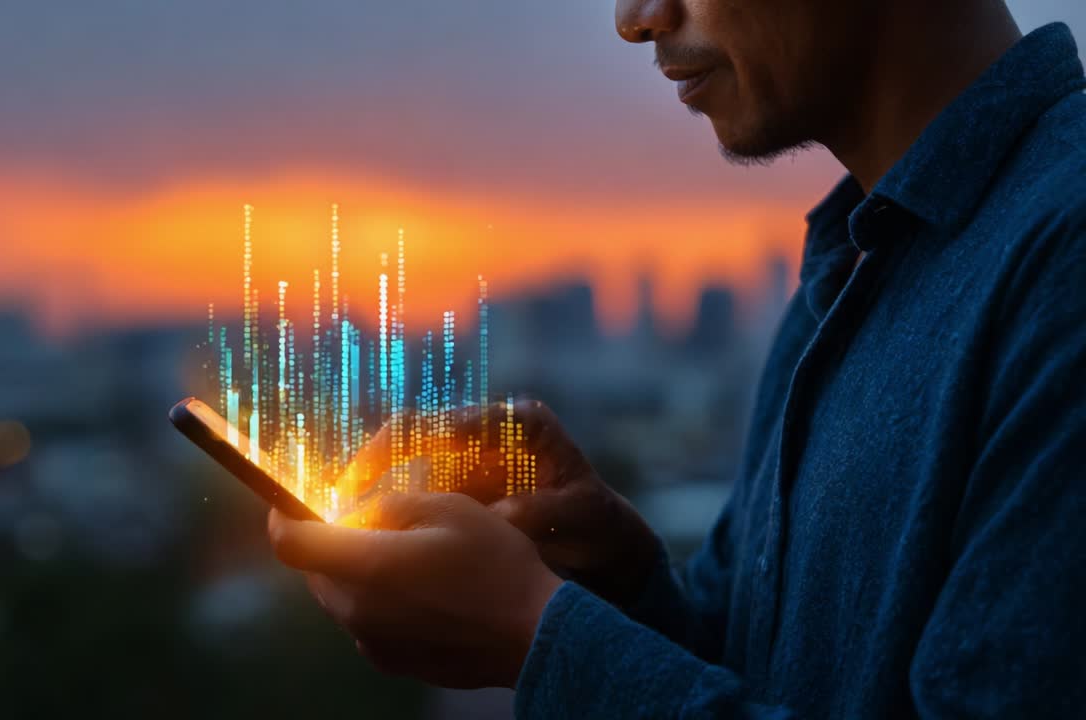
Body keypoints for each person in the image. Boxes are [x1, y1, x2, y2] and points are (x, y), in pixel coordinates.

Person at [268, 1, 1086, 716]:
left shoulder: (1062, 259)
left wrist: (538, 636)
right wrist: (614, 580)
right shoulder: (849, 278)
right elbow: (768, 681)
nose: (636, 17)